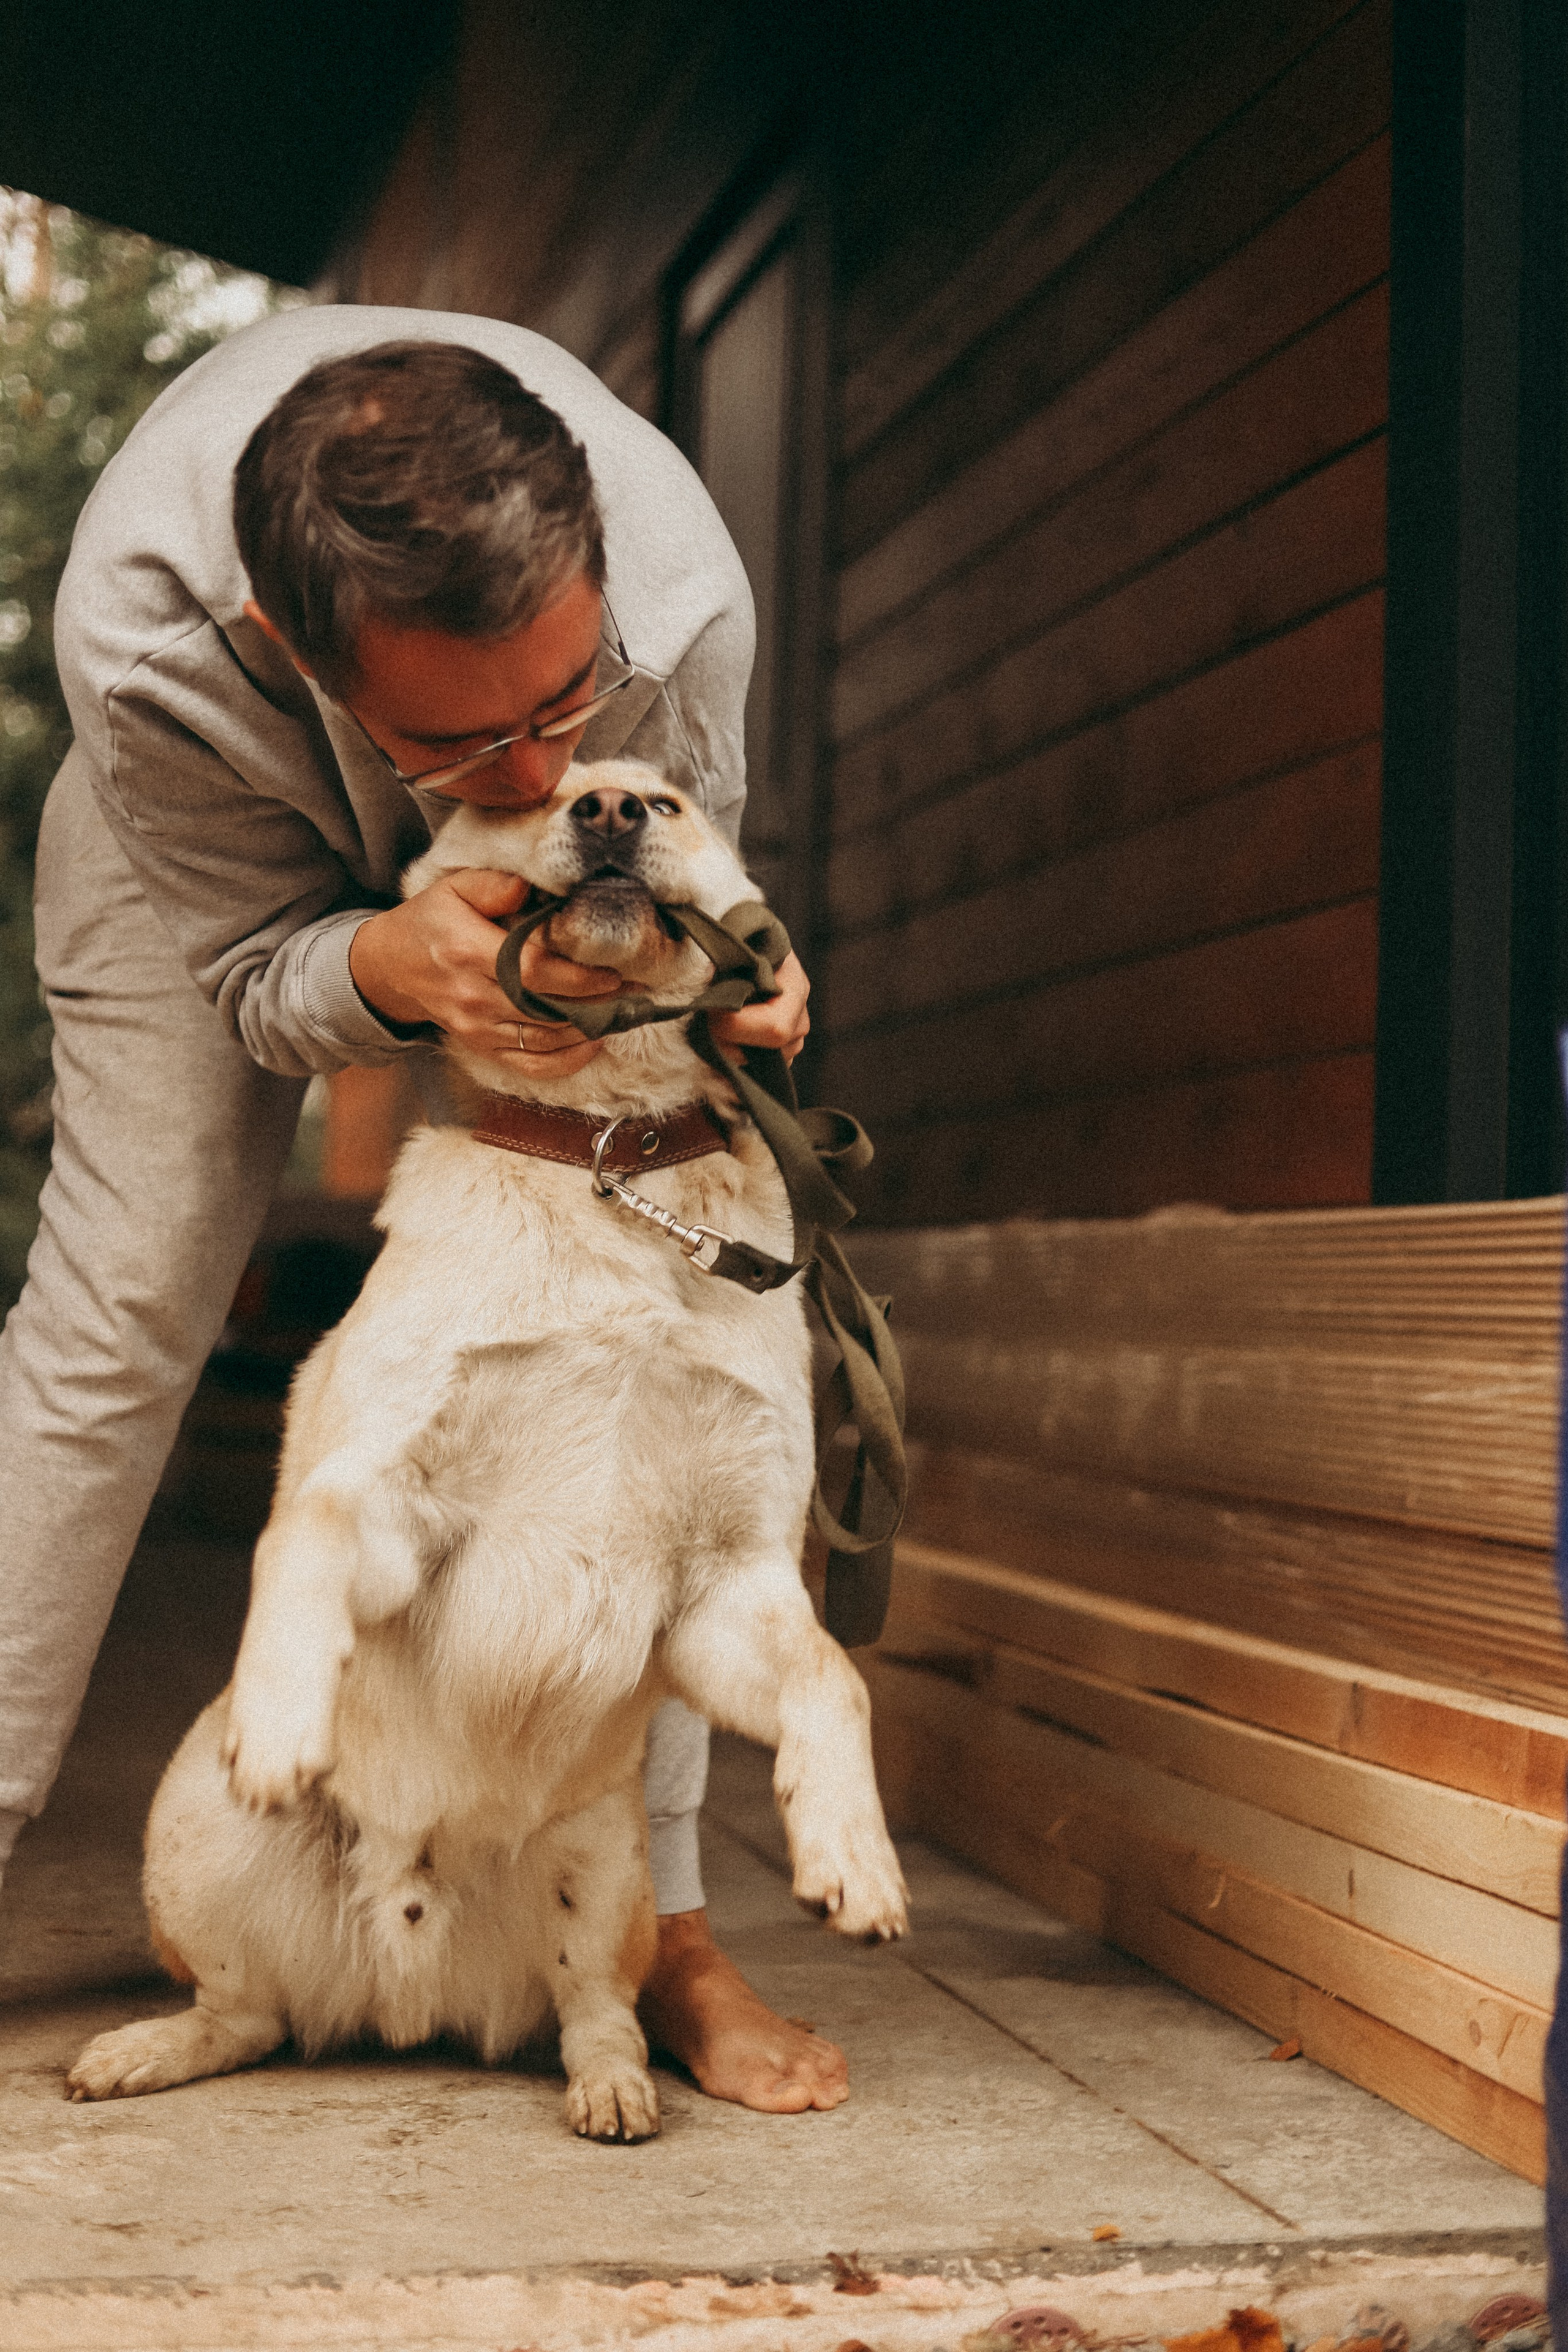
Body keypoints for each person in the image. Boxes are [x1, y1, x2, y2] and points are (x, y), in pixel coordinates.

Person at [0, 308, 846, 2115]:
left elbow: (694, 898)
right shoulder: (151, 640)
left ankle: (664, 1936)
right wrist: (384, 962)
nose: (544, 778)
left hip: (495, 775)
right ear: (287, 649)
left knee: (653, 1323)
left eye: (569, 703)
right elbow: (245, 971)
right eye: (473, 743)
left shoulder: (679, 603)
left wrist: (731, 995)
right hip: (205, 860)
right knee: (131, 1300)